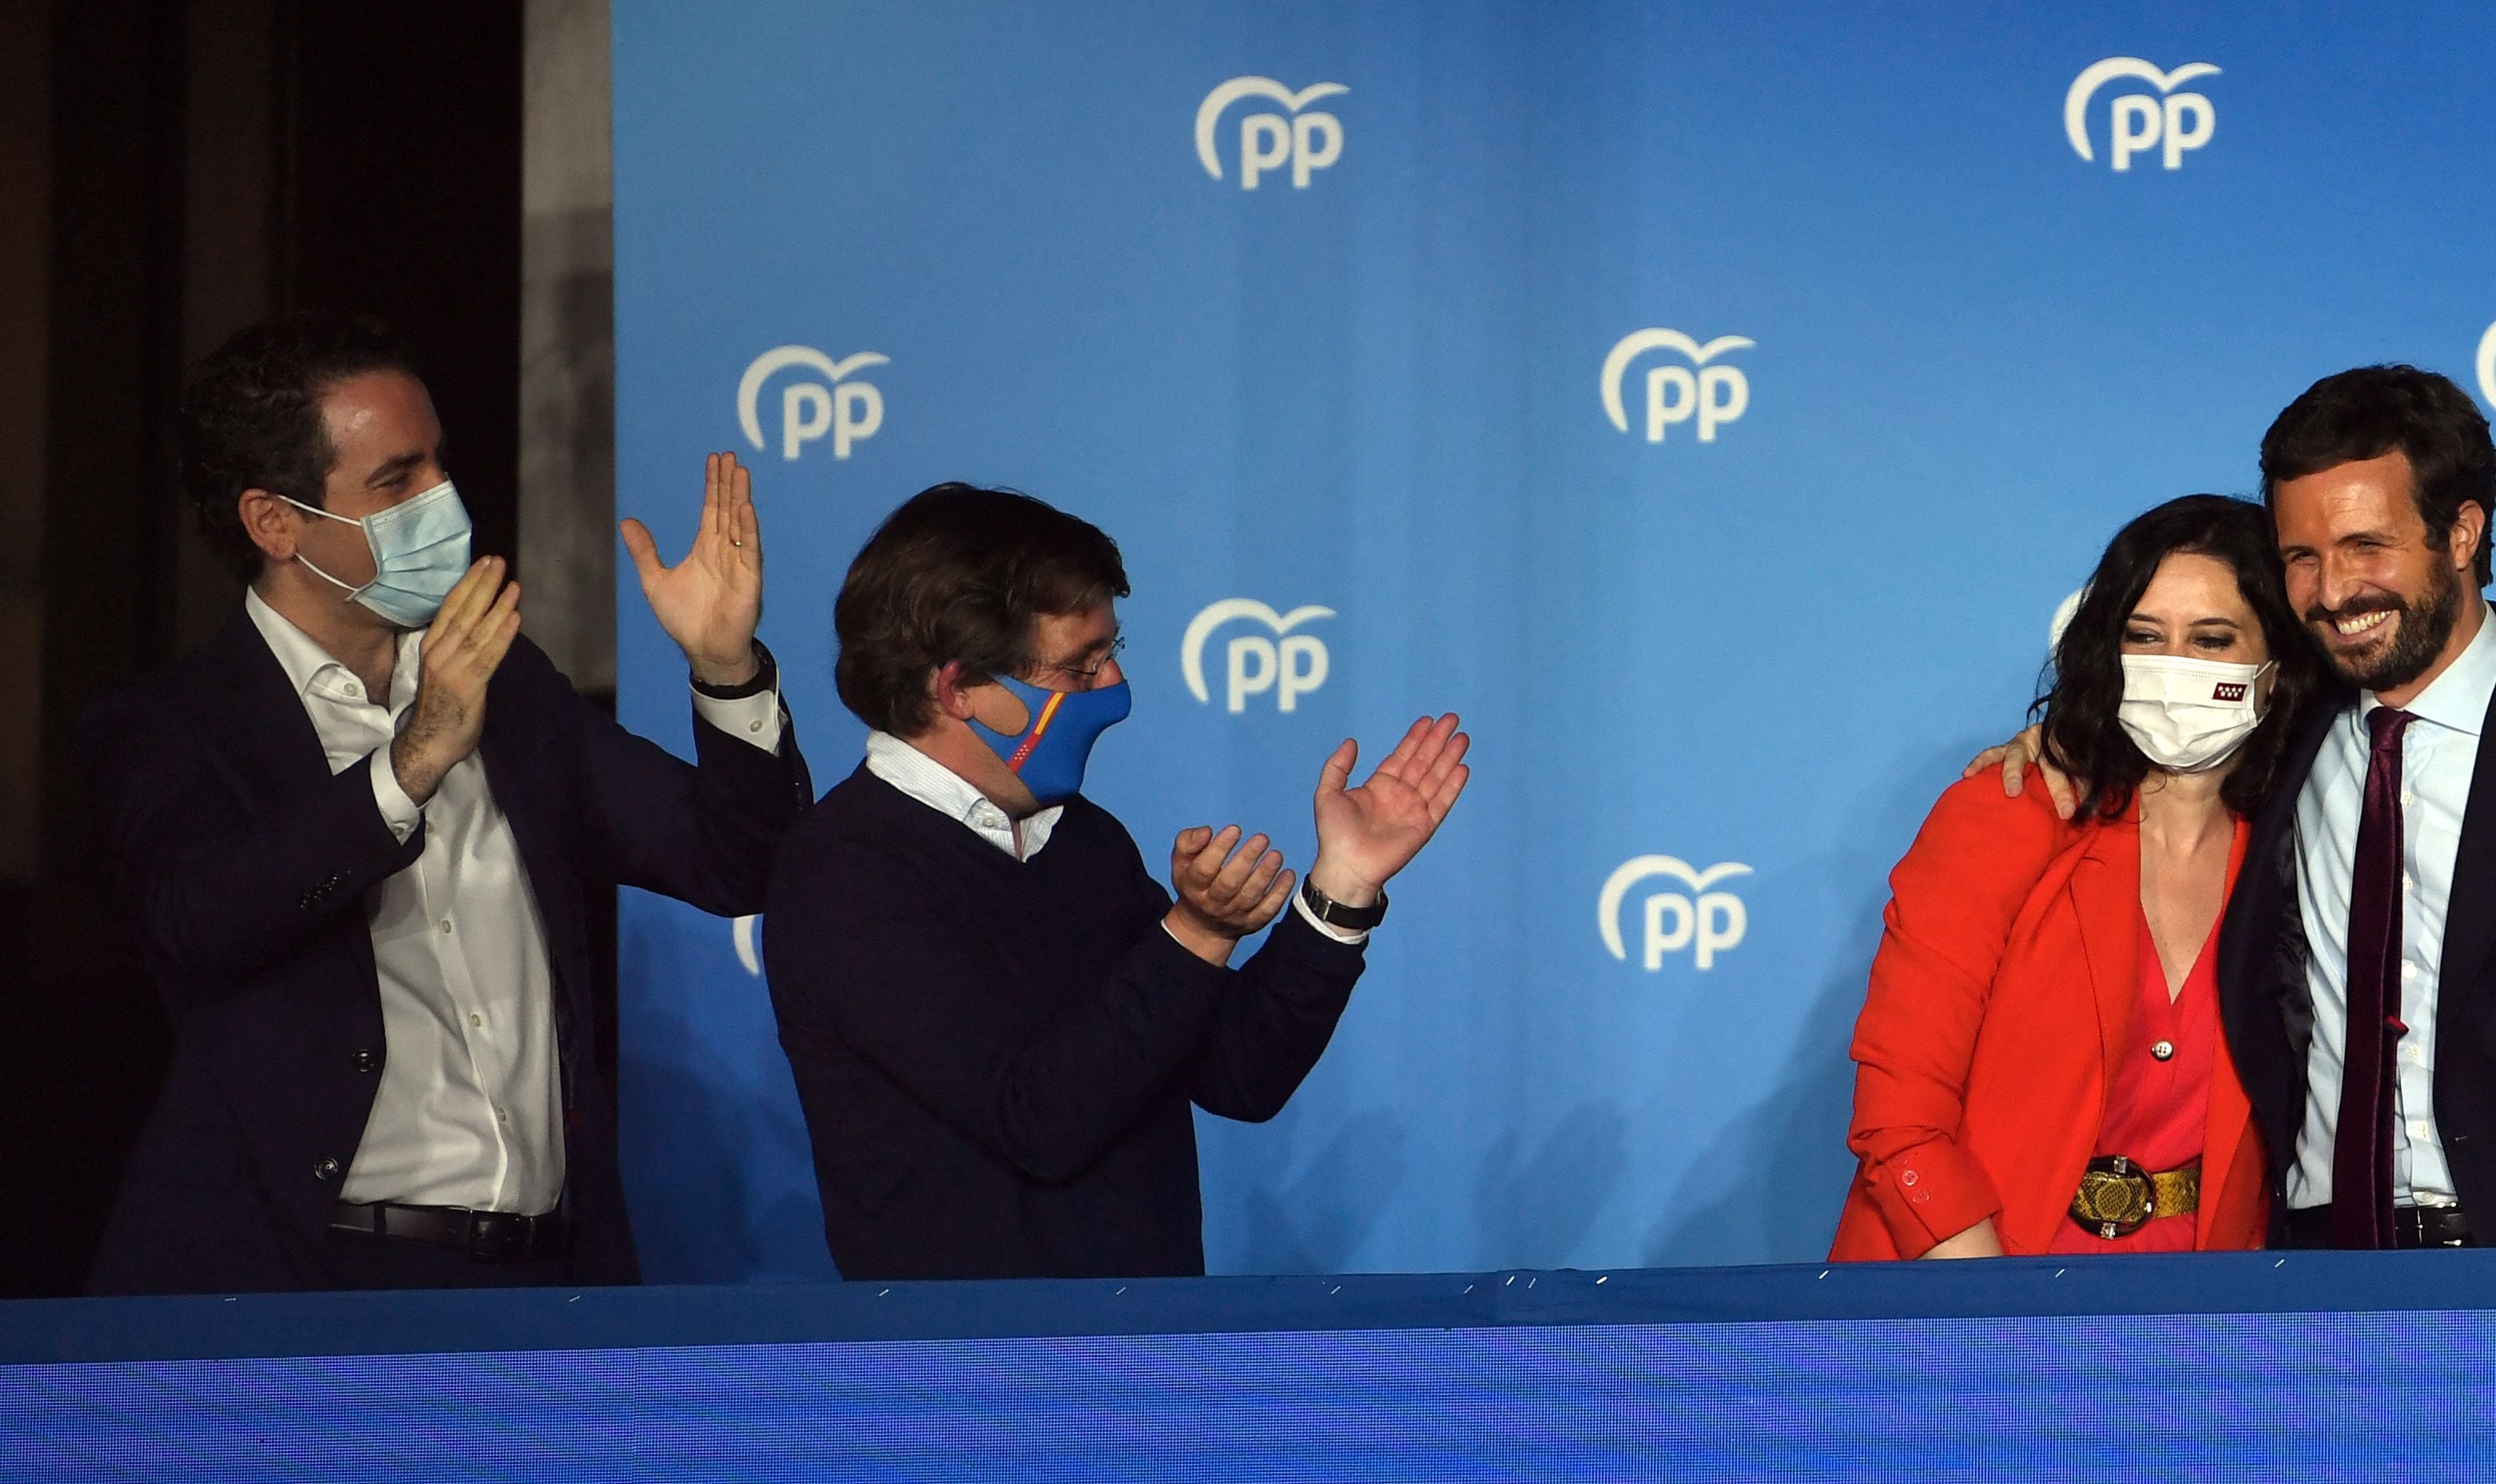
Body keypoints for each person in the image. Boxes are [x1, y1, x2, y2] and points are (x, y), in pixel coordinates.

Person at [81, 312, 812, 1292]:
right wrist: (411, 763)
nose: (445, 498)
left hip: (547, 1276)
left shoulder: (512, 690)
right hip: (314, 1281)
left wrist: (725, 669)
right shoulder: (169, 724)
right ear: (276, 522)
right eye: (398, 480)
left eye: (439, 464)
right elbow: (200, 918)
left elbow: (738, 860)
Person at [1984, 367, 2496, 1248]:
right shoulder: (2277, 731)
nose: (2332, 592)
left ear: (2462, 533)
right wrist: (2057, 745)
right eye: (2301, 557)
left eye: (2367, 546)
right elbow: (2162, 734)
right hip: (2313, 1269)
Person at [761, 484, 1471, 1281]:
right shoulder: (847, 871)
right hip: (971, 1379)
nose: (1115, 687)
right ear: (960, 689)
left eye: (1111, 651)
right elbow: (1039, 1118)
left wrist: (1341, 888)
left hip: (1149, 1360)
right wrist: (1197, 932)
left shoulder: (1083, 841)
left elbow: (1238, 1072)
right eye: (1080, 666)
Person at [1831, 495, 2327, 1261]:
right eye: (2144, 637)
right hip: (1966, 1286)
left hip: (2205, 1315)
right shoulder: (2008, 811)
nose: (2172, 669)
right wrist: (1994, 1315)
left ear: (2277, 666)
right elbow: (1900, 1114)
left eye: (2212, 639)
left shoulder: (2302, 852)